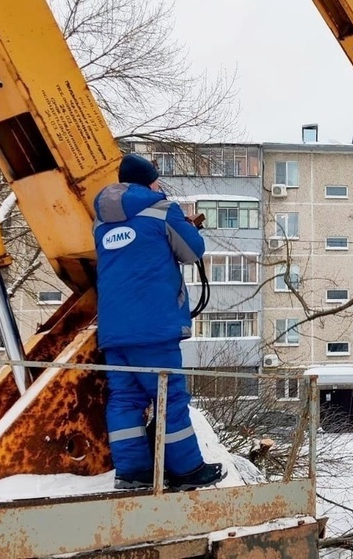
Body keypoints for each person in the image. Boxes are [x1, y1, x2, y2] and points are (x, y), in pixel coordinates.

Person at [93, 153, 225, 490]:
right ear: (150, 181)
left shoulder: (101, 220)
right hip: (154, 329)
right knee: (169, 397)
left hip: (114, 332)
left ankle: (133, 472)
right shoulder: (162, 209)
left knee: (125, 399)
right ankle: (186, 470)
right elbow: (192, 251)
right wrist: (183, 223)